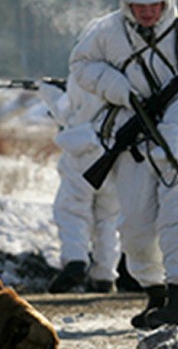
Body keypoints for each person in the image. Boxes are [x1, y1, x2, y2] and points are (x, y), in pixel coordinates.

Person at [68, 0, 178, 329]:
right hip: (135, 140)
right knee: (134, 226)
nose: (148, 12)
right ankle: (157, 295)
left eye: (154, 4)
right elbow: (81, 65)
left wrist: (175, 131)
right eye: (139, 4)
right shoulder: (107, 32)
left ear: (167, 1)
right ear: (126, 2)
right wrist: (119, 89)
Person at [39, 77, 122, 293]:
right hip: (115, 153)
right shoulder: (122, 71)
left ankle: (76, 261)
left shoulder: (83, 73)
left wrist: (48, 91)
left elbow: (64, 111)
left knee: (72, 210)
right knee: (108, 218)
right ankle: (105, 276)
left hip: (83, 151)